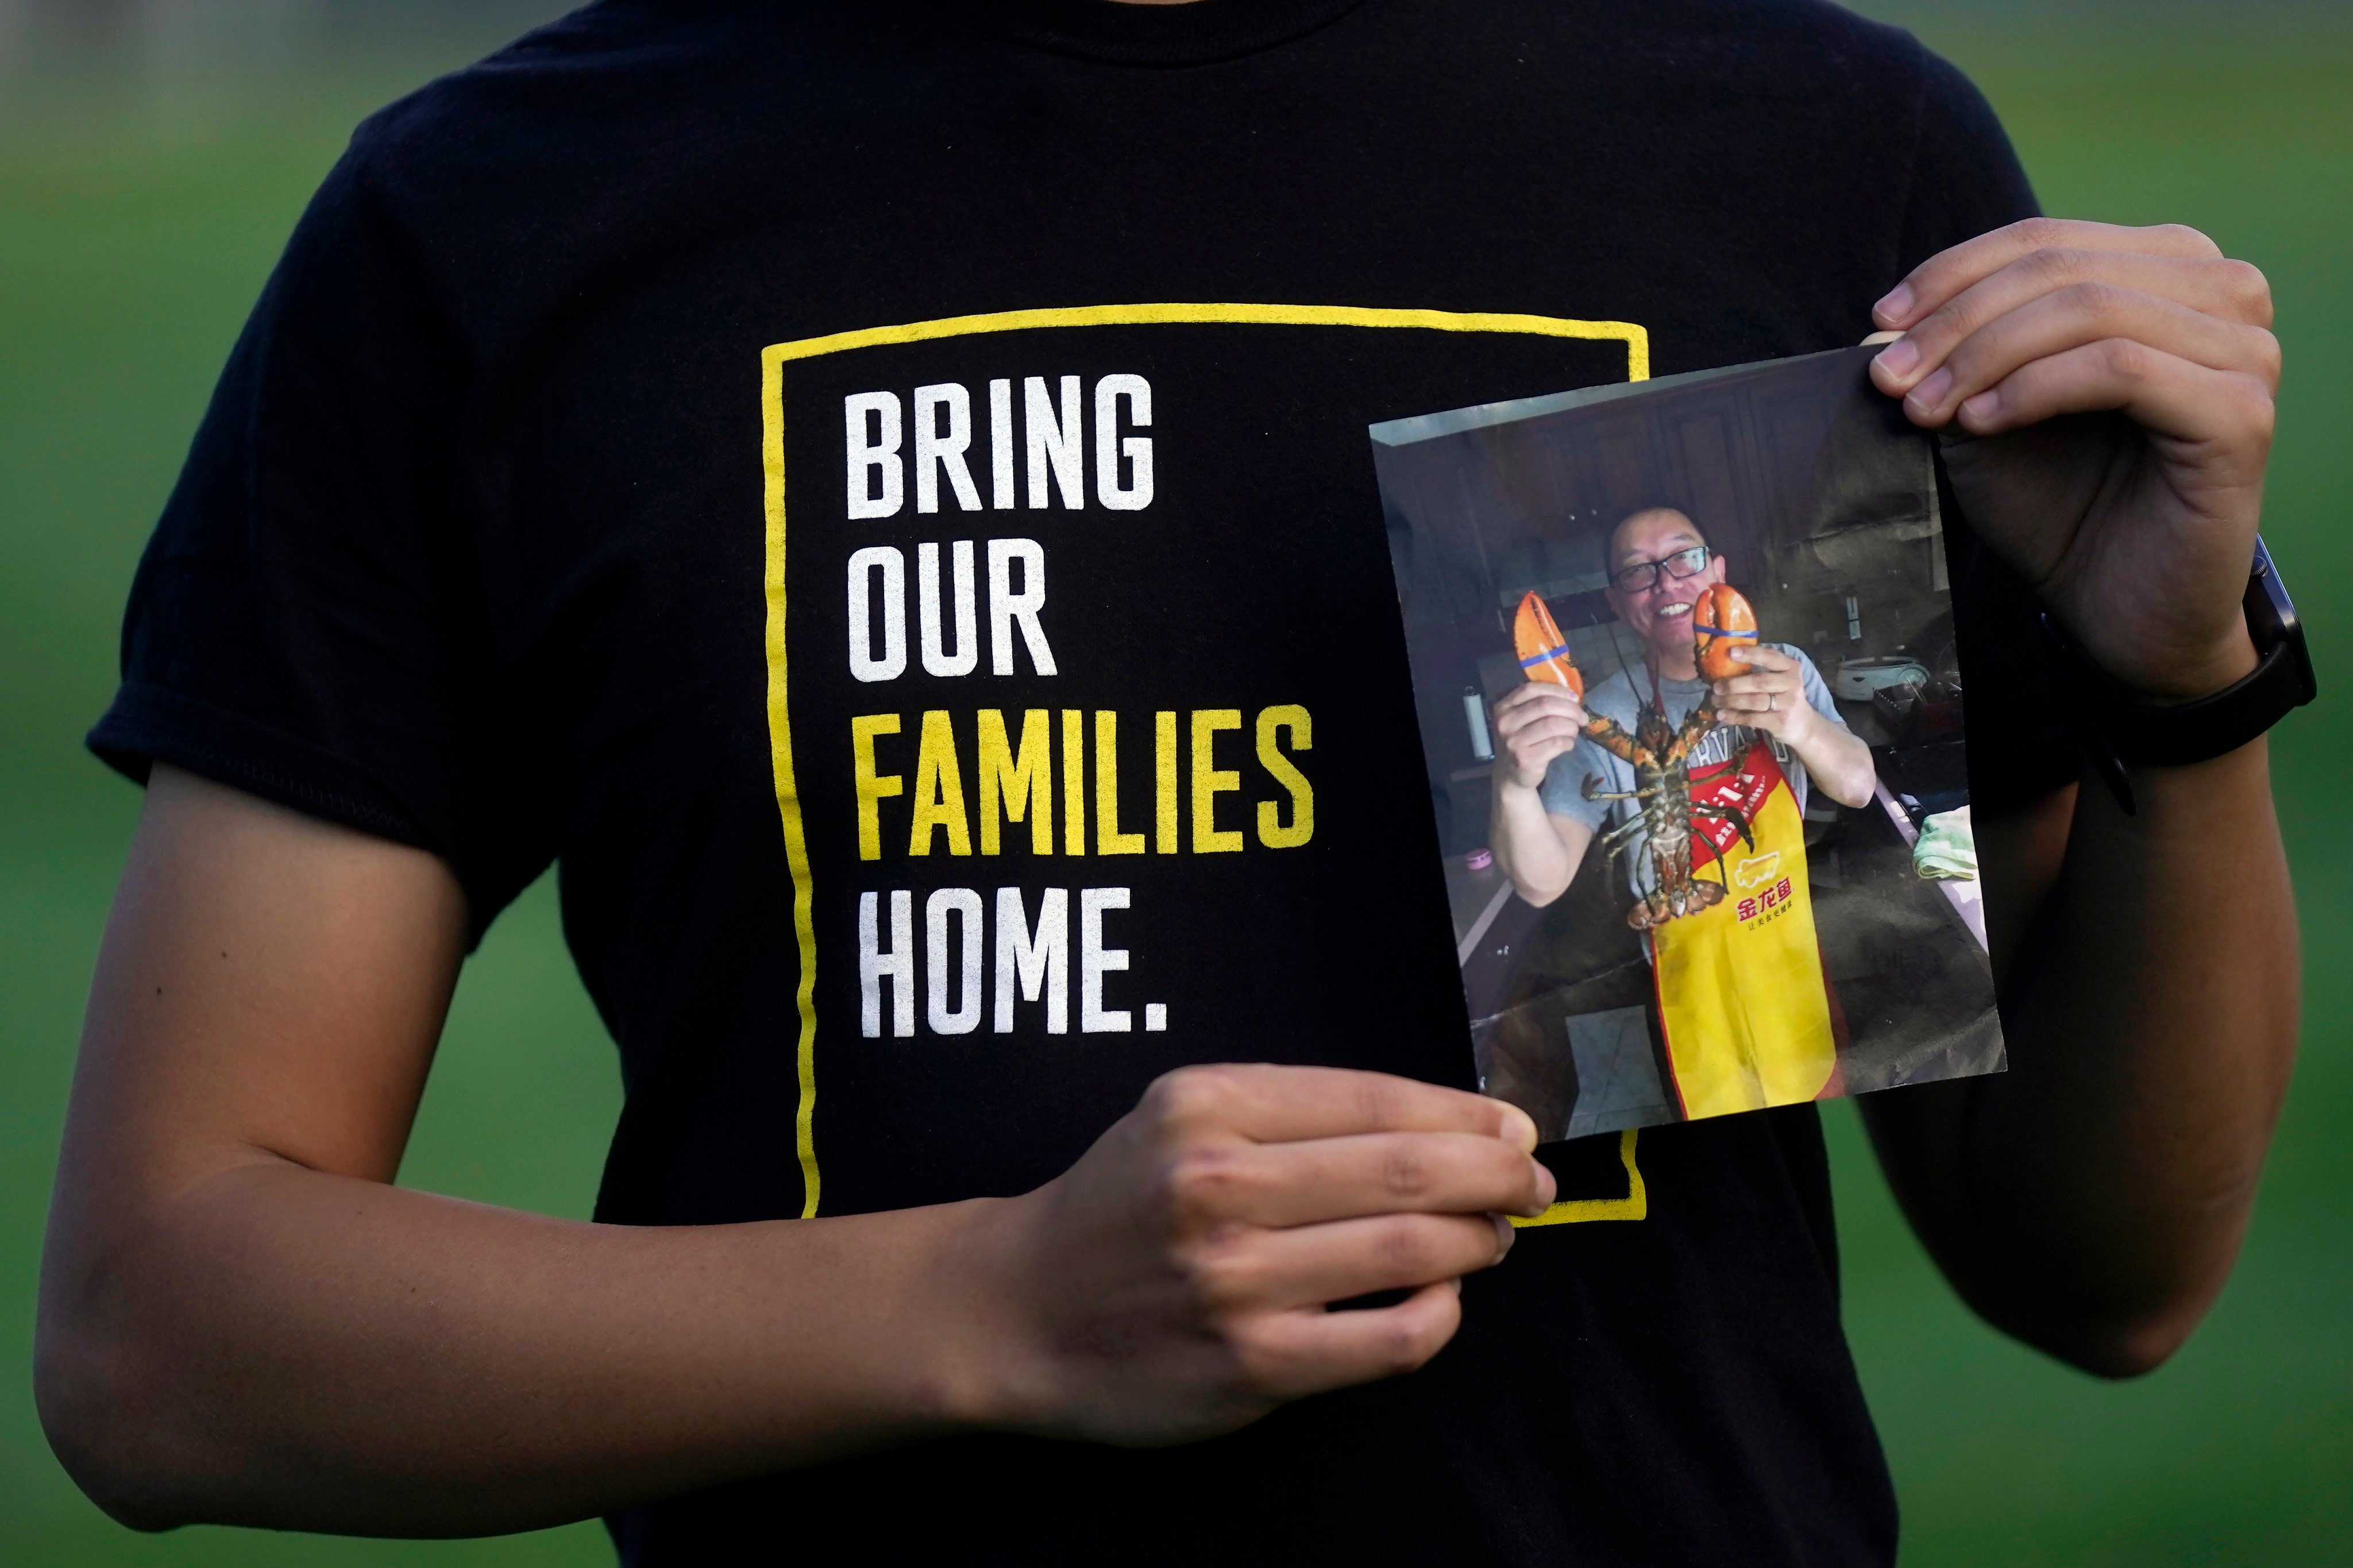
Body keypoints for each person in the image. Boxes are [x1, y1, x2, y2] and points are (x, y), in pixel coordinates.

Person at [34, 2, 2297, 1565]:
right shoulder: (501, 217)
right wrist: (999, 1308)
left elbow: (2096, 1268)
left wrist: (2178, 682)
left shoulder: (1809, 155)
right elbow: (164, 1331)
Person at [1488, 505, 1879, 912]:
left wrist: (1806, 728)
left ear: (1718, 571)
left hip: (1792, 934)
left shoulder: (1782, 673)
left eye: (1685, 557)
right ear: (1616, 602)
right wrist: (1512, 785)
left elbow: (1859, 789)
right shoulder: (1588, 716)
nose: (1666, 582)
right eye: (1637, 570)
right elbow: (1541, 886)